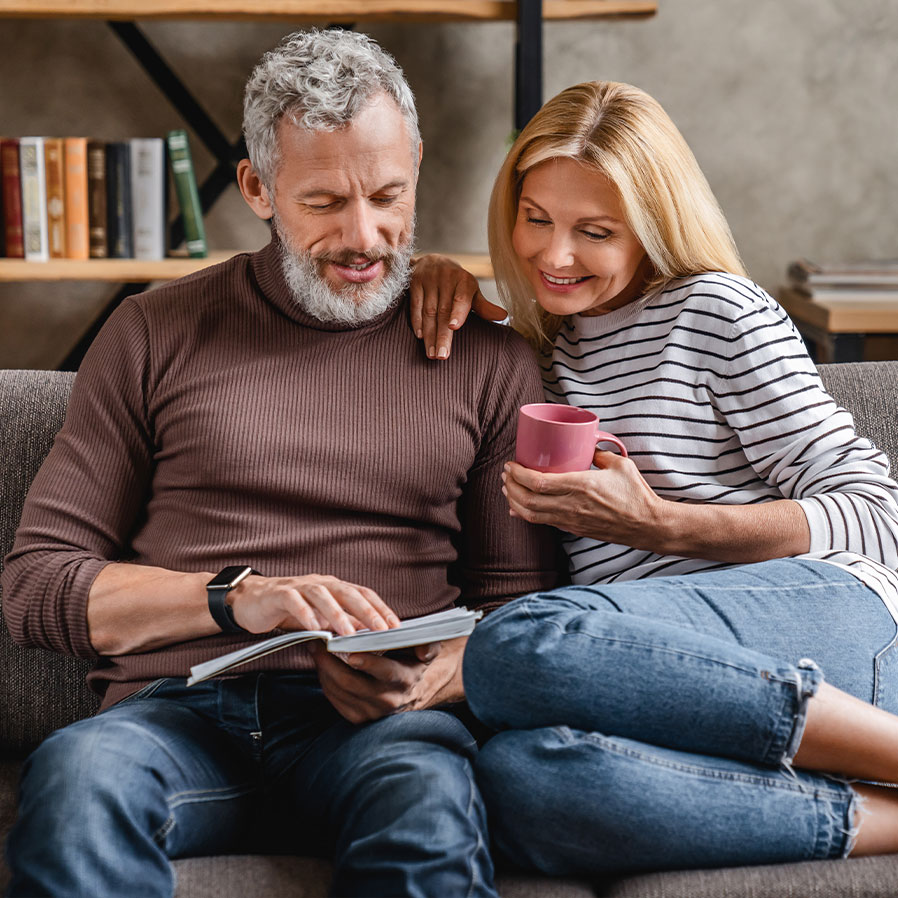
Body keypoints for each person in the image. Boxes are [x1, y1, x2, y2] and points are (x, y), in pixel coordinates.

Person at [1, 30, 558, 898]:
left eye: (387, 194)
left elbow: (517, 609)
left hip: (382, 732)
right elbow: (37, 587)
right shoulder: (154, 332)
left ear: (416, 162)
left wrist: (426, 683)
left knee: (428, 807)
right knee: (77, 785)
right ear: (258, 188)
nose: (364, 235)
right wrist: (235, 598)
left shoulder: (489, 358)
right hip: (174, 716)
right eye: (324, 202)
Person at [411, 80, 898, 874]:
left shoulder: (717, 313)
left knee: (518, 644)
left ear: (652, 228)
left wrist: (664, 525)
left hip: (835, 624)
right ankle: (873, 815)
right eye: (535, 219)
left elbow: (879, 513)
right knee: (520, 781)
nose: (554, 255)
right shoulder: (540, 350)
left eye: (594, 232)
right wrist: (432, 276)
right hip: (668, 680)